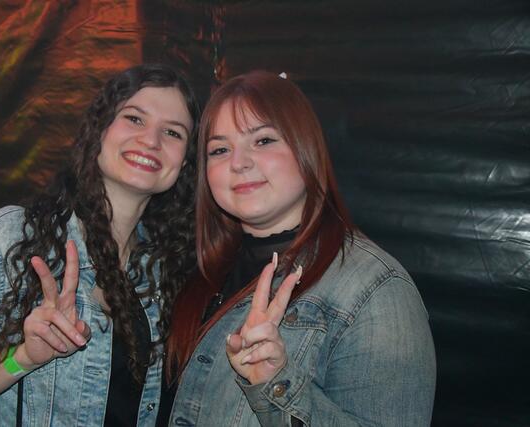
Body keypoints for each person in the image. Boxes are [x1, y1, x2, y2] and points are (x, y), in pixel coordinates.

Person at [0, 63, 199, 426]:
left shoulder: (163, 271)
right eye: (134, 118)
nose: (151, 140)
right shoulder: (6, 241)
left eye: (173, 132)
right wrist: (19, 359)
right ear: (99, 129)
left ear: (185, 162)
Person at [166, 70, 436, 426]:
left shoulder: (375, 289)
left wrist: (274, 383)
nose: (238, 162)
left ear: (306, 148)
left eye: (263, 140)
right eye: (220, 149)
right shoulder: (197, 270)